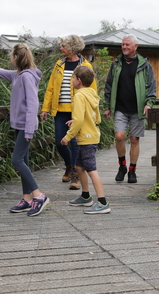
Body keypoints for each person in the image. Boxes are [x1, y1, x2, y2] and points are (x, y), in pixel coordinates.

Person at [0, 44, 50, 217]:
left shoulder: (27, 77)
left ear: (17, 57)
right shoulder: (16, 75)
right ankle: (27, 199)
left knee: (16, 160)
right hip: (19, 126)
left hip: (26, 127)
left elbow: (33, 104)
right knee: (23, 162)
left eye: (12, 56)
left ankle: (39, 196)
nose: (10, 59)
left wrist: (28, 131)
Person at [41, 35, 97, 190]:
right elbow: (51, 87)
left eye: (64, 46)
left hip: (77, 109)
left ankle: (75, 174)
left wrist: (90, 112)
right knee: (60, 141)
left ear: (72, 48)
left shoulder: (85, 65)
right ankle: (69, 164)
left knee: (75, 143)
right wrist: (45, 108)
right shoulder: (59, 64)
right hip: (60, 109)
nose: (61, 48)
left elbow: (92, 90)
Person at [103, 34, 156, 184]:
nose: (124, 47)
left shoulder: (144, 65)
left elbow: (151, 86)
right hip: (120, 107)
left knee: (134, 139)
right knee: (119, 136)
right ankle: (122, 166)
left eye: (127, 45)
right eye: (123, 45)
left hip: (137, 109)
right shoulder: (116, 64)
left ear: (135, 46)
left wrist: (149, 103)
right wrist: (107, 106)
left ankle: (132, 170)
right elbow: (109, 86)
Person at [60, 66, 110, 214]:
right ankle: (86, 196)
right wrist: (75, 121)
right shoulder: (91, 93)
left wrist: (67, 137)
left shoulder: (79, 96)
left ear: (79, 80)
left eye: (73, 78)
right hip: (92, 135)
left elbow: (80, 119)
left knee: (91, 170)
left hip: (86, 138)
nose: (71, 80)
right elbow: (96, 117)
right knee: (79, 166)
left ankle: (103, 202)